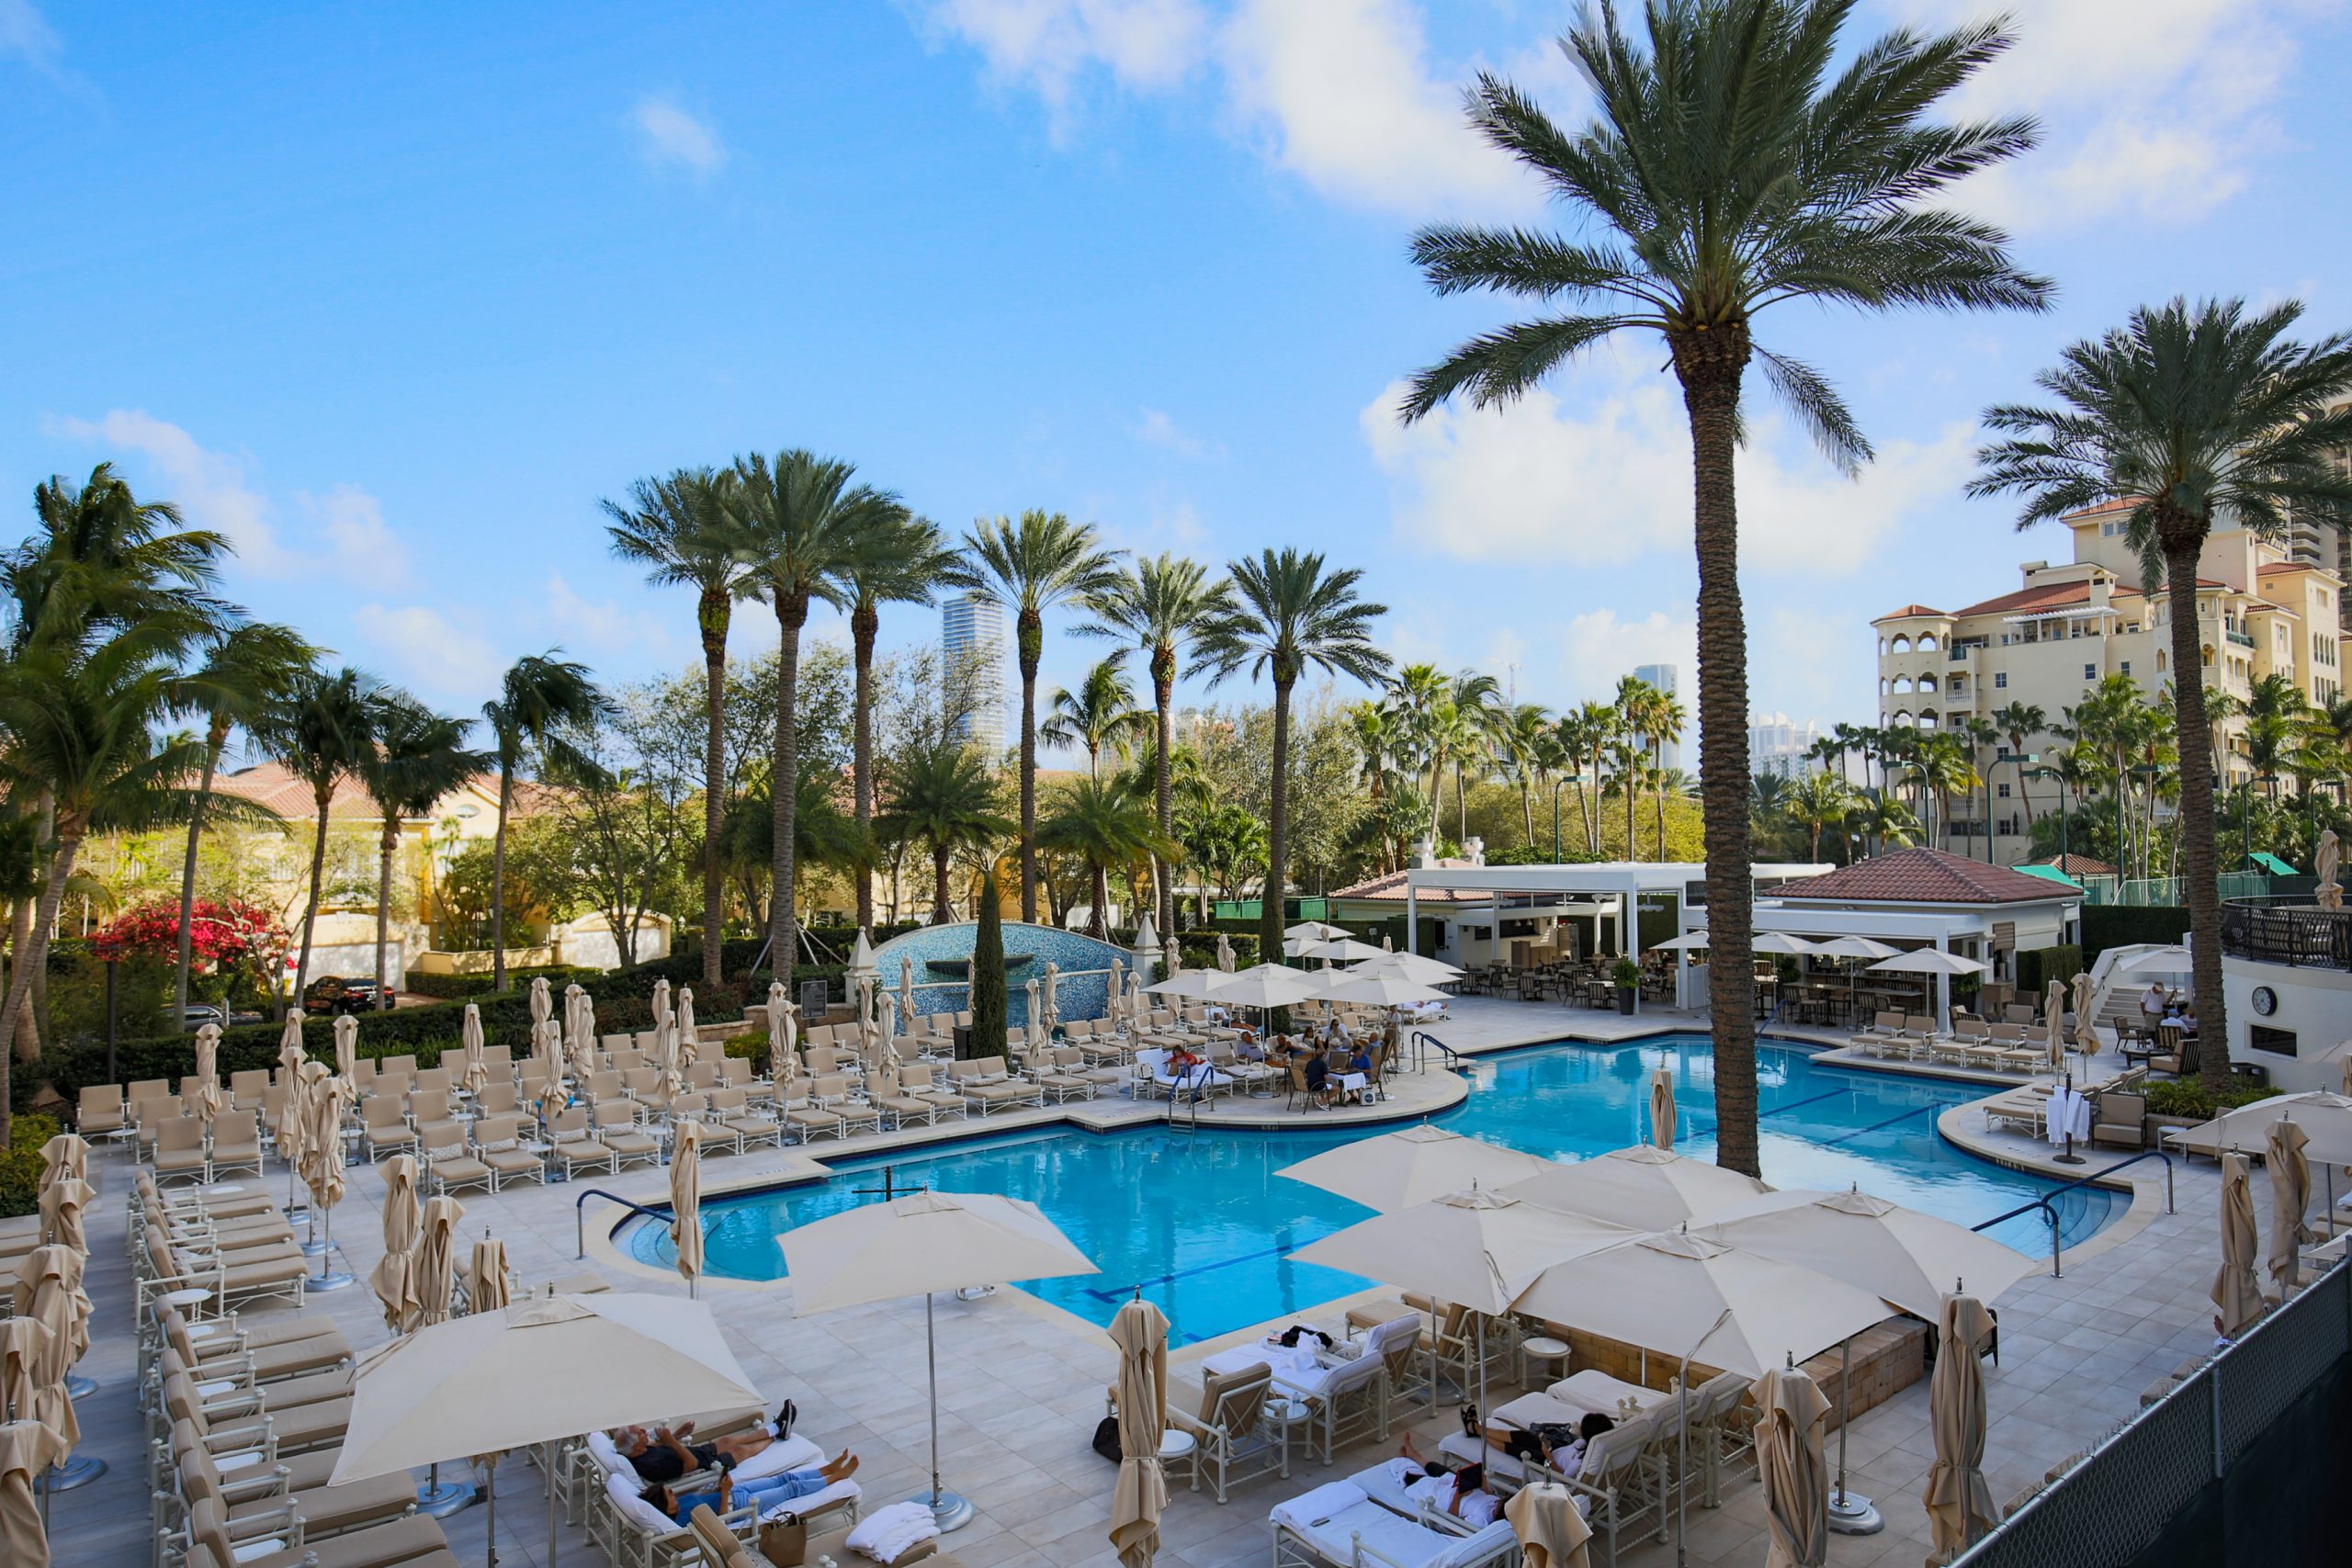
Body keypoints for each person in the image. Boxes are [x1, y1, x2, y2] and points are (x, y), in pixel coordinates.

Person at [642, 1452, 860, 1524]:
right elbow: (722, 1523)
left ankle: (827, 1469)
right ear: (665, 1506)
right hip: (740, 1505)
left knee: (783, 1478)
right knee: (791, 1488)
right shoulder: (683, 1520)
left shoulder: (680, 1504)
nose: (673, 1493)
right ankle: (836, 1478)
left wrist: (720, 1487)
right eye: (669, 1495)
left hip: (734, 1491)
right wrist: (725, 1492)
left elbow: (707, 1499)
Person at [614, 1419, 779, 1485]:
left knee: (728, 1441)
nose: (645, 1431)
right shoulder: (652, 1466)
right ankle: (775, 1437)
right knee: (741, 1450)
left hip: (698, 1452)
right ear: (635, 1446)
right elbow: (692, 1464)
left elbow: (661, 1447)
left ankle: (775, 1428)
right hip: (706, 1466)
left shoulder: (641, 1450)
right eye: (641, 1433)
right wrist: (671, 1441)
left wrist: (678, 1434)